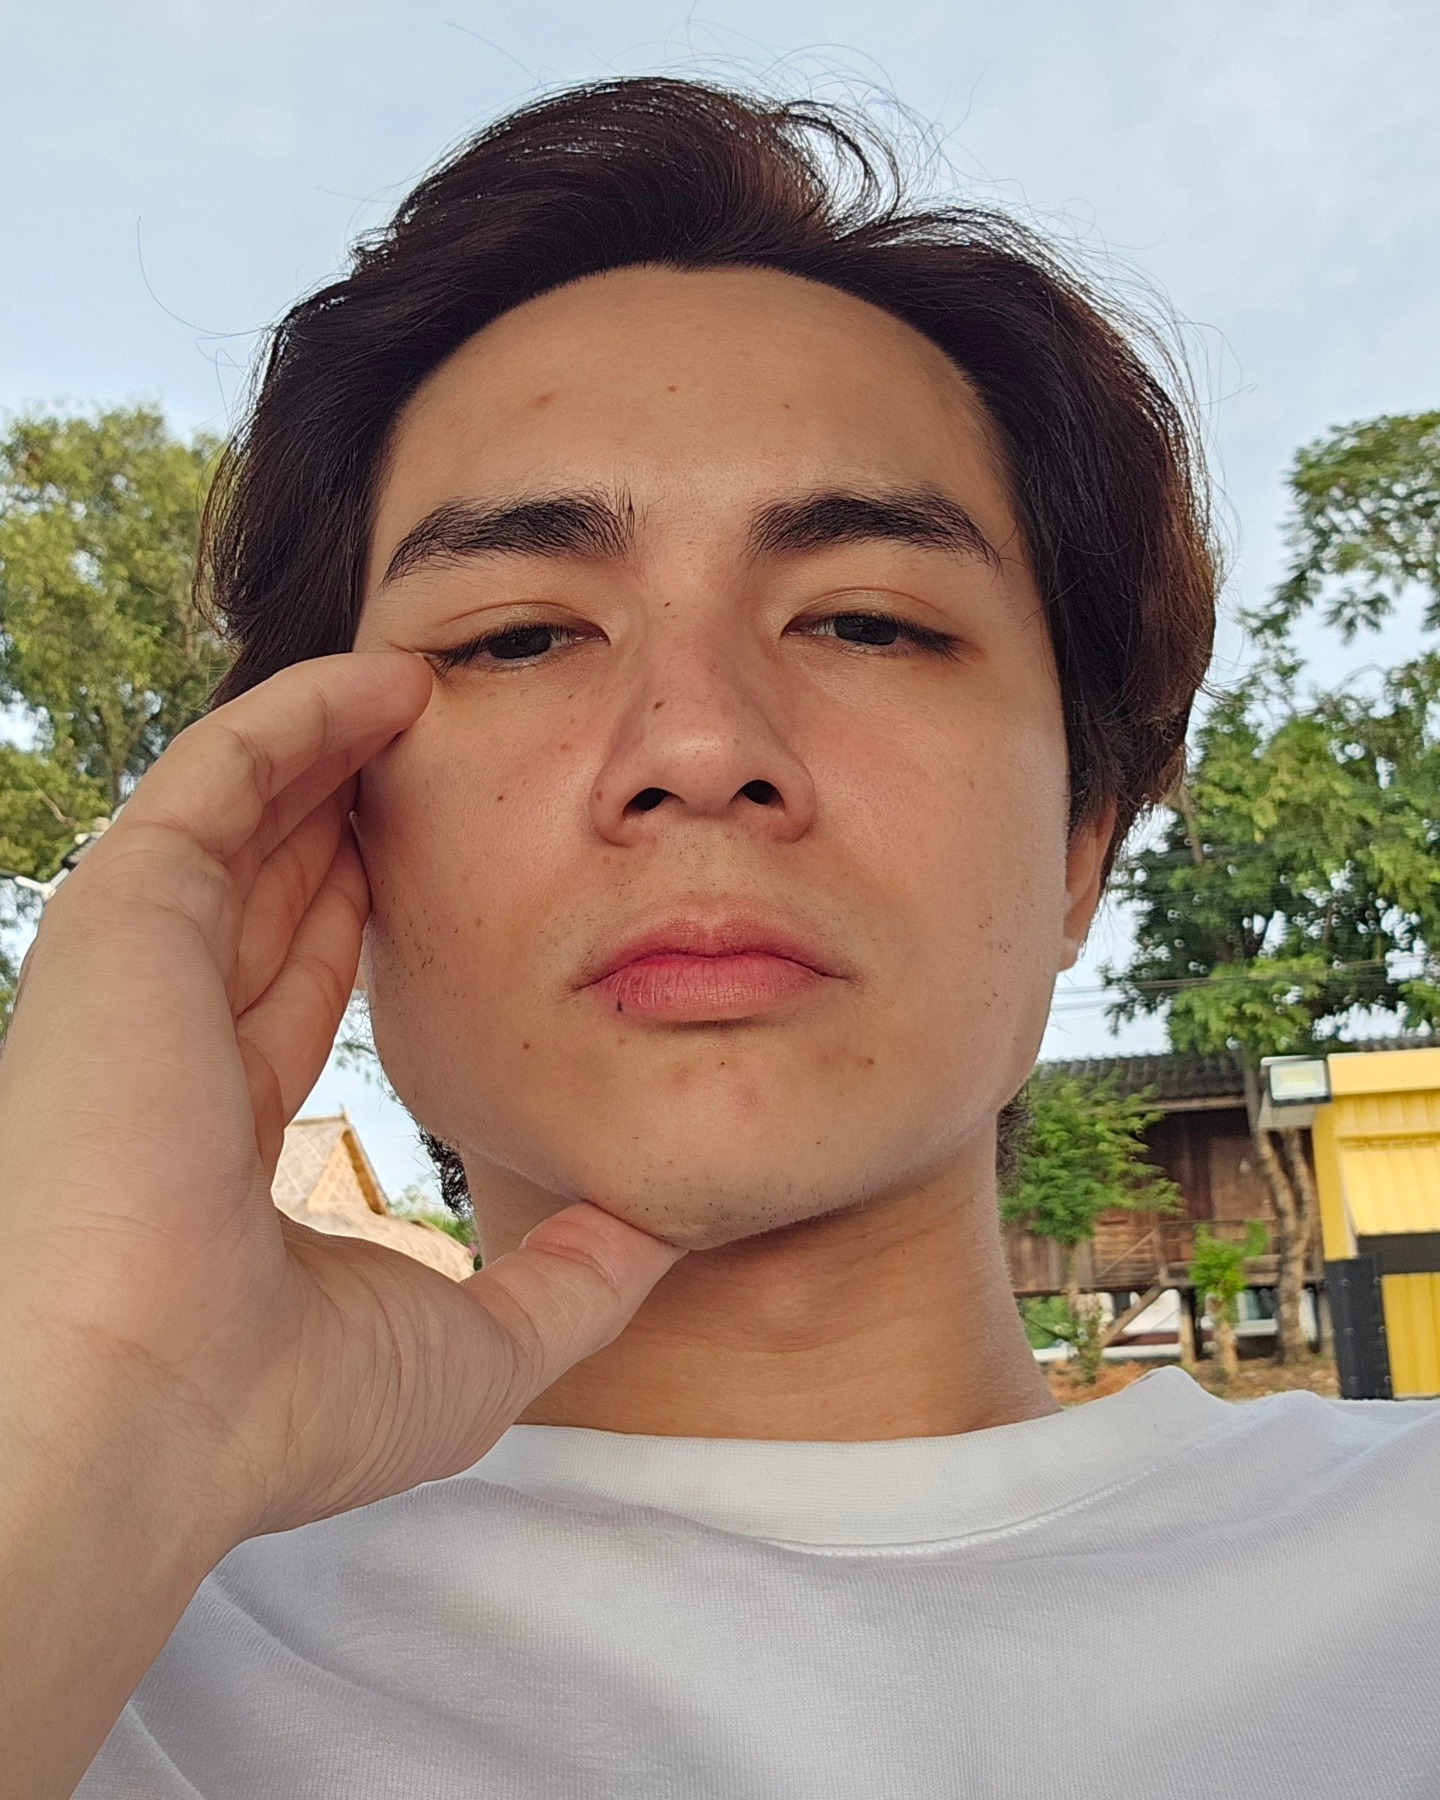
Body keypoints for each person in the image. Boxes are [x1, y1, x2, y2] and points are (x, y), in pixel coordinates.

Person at [2, 76, 1435, 1800]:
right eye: (519, 636)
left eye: (866, 621)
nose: (695, 744)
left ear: (1080, 842)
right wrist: (97, 1413)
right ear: (327, 831)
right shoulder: (95, 1638)